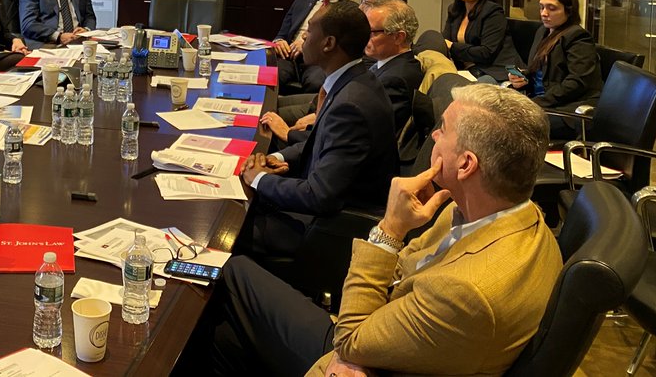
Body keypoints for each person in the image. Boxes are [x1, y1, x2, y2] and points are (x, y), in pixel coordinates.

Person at [213, 84, 561, 377]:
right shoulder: (500, 210)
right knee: (227, 335)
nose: (433, 135)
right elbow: (406, 265)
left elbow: (350, 340)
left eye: (442, 129)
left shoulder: (466, 293)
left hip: (362, 348)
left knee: (231, 269)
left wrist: (390, 228)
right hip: (387, 333)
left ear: (466, 164)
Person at [242, 6, 398, 258]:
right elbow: (321, 143)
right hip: (326, 208)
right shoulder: (355, 81)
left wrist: (258, 179)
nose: (303, 36)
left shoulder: (350, 105)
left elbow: (319, 196)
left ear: (328, 43)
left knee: (233, 226)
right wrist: (276, 158)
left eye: (309, 31)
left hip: (327, 229)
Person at [264, 0, 423, 139]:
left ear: (398, 37)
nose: (363, 36)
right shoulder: (388, 62)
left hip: (329, 128)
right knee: (270, 103)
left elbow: (358, 133)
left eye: (371, 32)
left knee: (265, 116)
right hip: (327, 106)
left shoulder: (396, 79)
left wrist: (288, 133)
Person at [507, 0, 602, 141]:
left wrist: (536, 103)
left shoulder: (578, 37)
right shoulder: (543, 31)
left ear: (568, 11)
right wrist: (523, 78)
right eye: (542, 7)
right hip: (543, 102)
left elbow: (576, 83)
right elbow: (540, 72)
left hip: (568, 110)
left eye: (551, 8)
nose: (544, 13)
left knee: (510, 125)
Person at [416, 0, 519, 81]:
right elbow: (445, 42)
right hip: (464, 69)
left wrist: (453, 47)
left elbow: (486, 53)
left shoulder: (493, 13)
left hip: (491, 71)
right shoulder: (455, 10)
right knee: (430, 38)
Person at [271, 0, 358, 92]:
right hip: (288, 56)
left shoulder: (349, 10)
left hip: (319, 61)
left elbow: (341, 47)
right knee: (270, 76)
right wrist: (279, 41)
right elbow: (282, 34)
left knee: (316, 83)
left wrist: (307, 44)